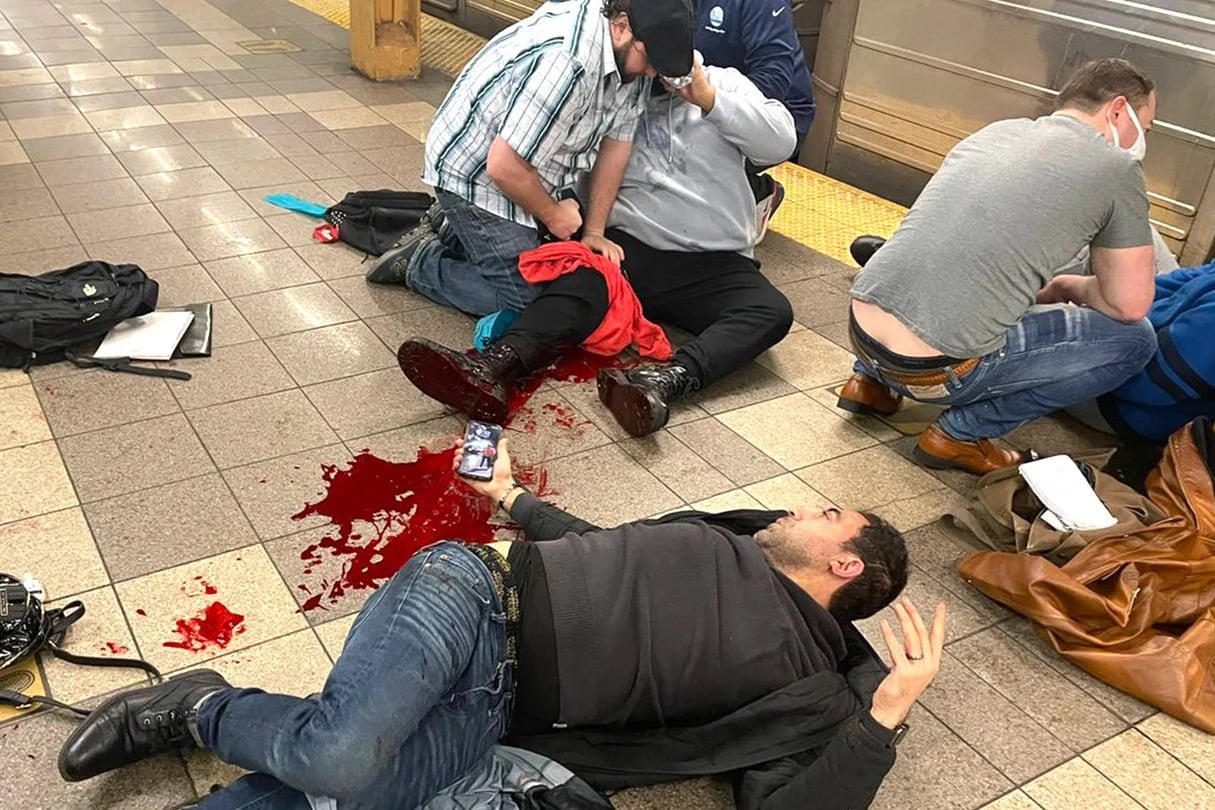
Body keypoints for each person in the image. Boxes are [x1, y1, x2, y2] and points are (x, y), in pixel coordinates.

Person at [58, 437, 944, 810]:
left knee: (354, 791)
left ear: (845, 566)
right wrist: (512, 498)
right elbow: (601, 546)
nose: (803, 507)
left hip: (500, 708)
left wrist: (885, 715)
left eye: (829, 514)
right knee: (336, 755)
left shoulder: (809, 690)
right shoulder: (735, 541)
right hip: (474, 594)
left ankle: (229, 726)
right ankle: (195, 708)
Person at [395, 59, 797, 436]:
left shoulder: (723, 82)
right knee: (578, 287)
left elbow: (781, 142)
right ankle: (493, 366)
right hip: (631, 250)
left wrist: (707, 98)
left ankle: (662, 380)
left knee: (771, 312)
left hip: (718, 261)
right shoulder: (611, 96)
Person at [836, 58, 1160, 475]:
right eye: (1145, 128)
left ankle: (869, 386)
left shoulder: (999, 131)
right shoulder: (1117, 169)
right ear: (1118, 110)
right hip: (938, 371)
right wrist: (1068, 287)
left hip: (860, 332)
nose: (1142, 141)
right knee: (1136, 341)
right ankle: (961, 434)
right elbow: (1130, 305)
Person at [363, 0, 695, 318]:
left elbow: (616, 145)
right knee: (525, 300)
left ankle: (450, 229)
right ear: (621, 27)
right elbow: (504, 167)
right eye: (650, 59)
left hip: (530, 165)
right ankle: (421, 263)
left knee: (550, 266)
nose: (652, 72)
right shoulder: (567, 62)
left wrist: (594, 230)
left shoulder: (632, 51)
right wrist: (552, 215)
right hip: (476, 174)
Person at [693, 0, 815, 240]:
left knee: (685, 159)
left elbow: (773, 81)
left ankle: (758, 191)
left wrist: (707, 103)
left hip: (775, 113)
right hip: (696, 98)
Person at [1070, 259, 1215, 444]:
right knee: (1121, 237)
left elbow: (1153, 388)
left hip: (1125, 409)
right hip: (1153, 338)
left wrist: (1082, 344)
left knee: (1034, 349)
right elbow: (1185, 280)